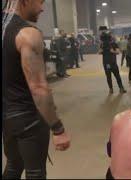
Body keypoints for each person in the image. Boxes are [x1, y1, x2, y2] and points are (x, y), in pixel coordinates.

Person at [2, 0, 71, 179]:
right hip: (28, 119)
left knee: (13, 165)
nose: (42, 8)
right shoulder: (27, 34)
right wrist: (58, 128)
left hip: (7, 118)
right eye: (40, 1)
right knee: (35, 173)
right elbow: (39, 87)